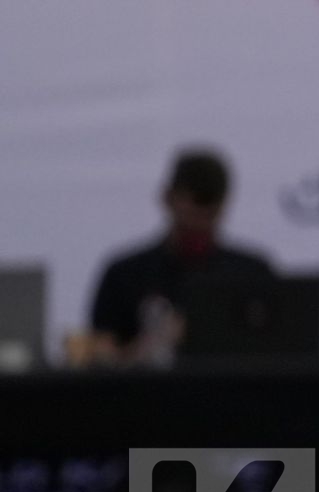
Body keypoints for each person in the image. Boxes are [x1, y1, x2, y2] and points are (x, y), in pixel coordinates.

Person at [87, 149, 276, 366]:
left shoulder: (253, 274)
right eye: (191, 216)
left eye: (210, 217)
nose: (199, 226)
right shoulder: (124, 275)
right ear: (167, 199)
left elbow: (279, 357)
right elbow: (100, 365)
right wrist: (151, 345)